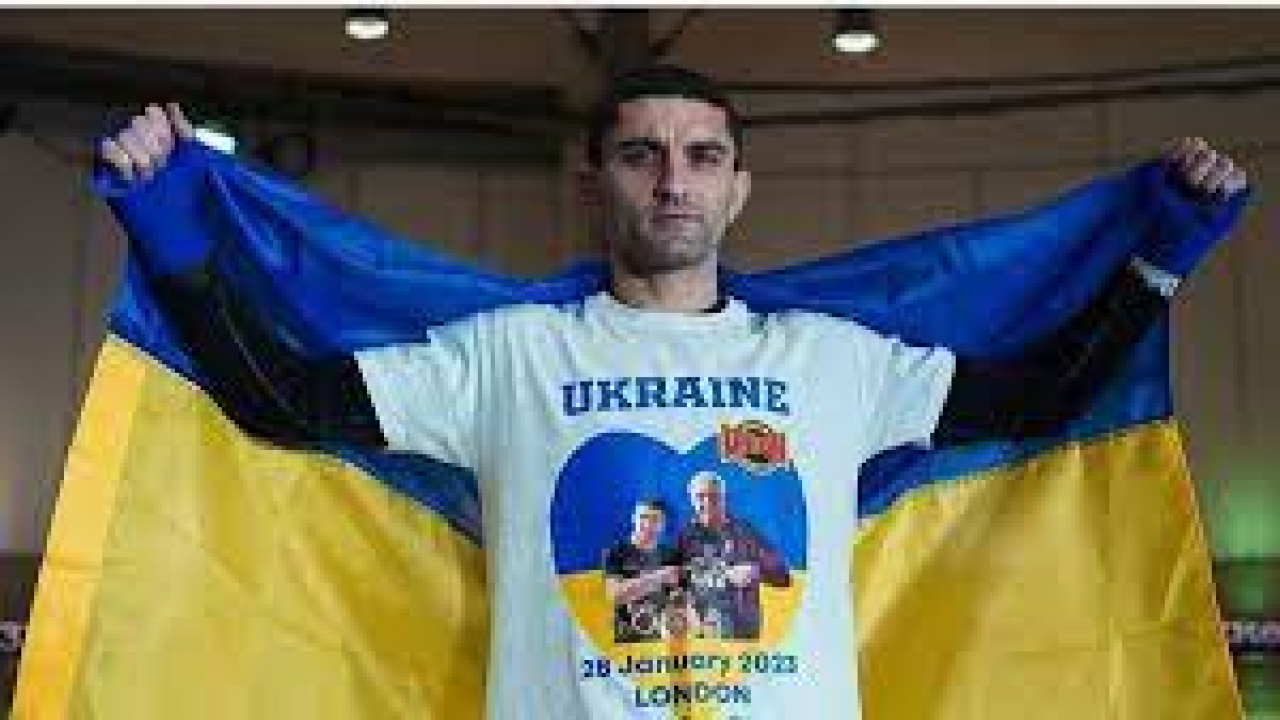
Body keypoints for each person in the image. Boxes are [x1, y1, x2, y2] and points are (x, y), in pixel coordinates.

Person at [98, 65, 1248, 718]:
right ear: (592, 181)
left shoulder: (830, 360)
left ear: (737, 187)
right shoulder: (509, 357)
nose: (672, 181)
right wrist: (168, 225)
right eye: (640, 154)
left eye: (702, 156)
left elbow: (1035, 399)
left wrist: (1157, 257)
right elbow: (282, 400)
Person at [676, 471, 790, 641]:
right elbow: (678, 581)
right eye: (700, 497)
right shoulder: (685, 538)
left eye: (714, 496)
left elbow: (783, 577)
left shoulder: (746, 532)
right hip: (704, 636)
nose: (707, 502)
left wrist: (756, 571)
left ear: (724, 498)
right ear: (692, 500)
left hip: (744, 634)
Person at [602, 499, 682, 643]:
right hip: (628, 639)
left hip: (662, 639)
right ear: (634, 518)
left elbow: (677, 599)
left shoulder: (671, 554)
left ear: (663, 525)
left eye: (655, 519)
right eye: (643, 517)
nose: (648, 524)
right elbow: (615, 596)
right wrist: (659, 576)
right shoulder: (616, 552)